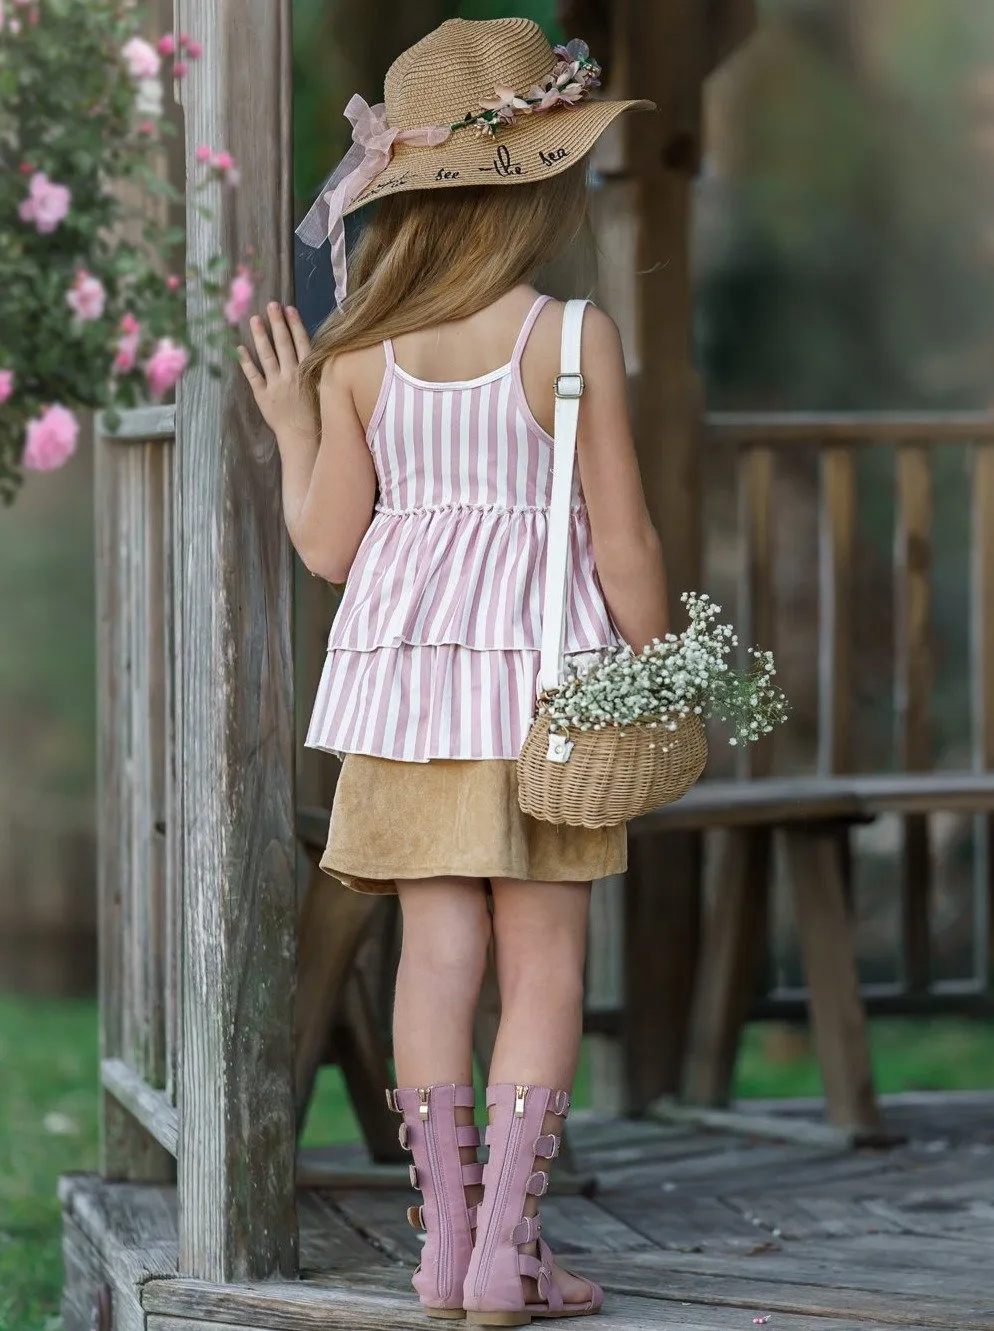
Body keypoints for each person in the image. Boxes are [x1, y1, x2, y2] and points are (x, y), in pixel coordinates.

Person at [237, 16, 667, 1326]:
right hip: (543, 690)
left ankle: (441, 1249)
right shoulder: (569, 337)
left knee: (435, 956)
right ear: (528, 185)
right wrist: (659, 669)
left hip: (408, 694)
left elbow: (325, 550)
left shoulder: (360, 351)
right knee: (542, 969)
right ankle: (509, 1256)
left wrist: (296, 418)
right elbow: (626, 536)